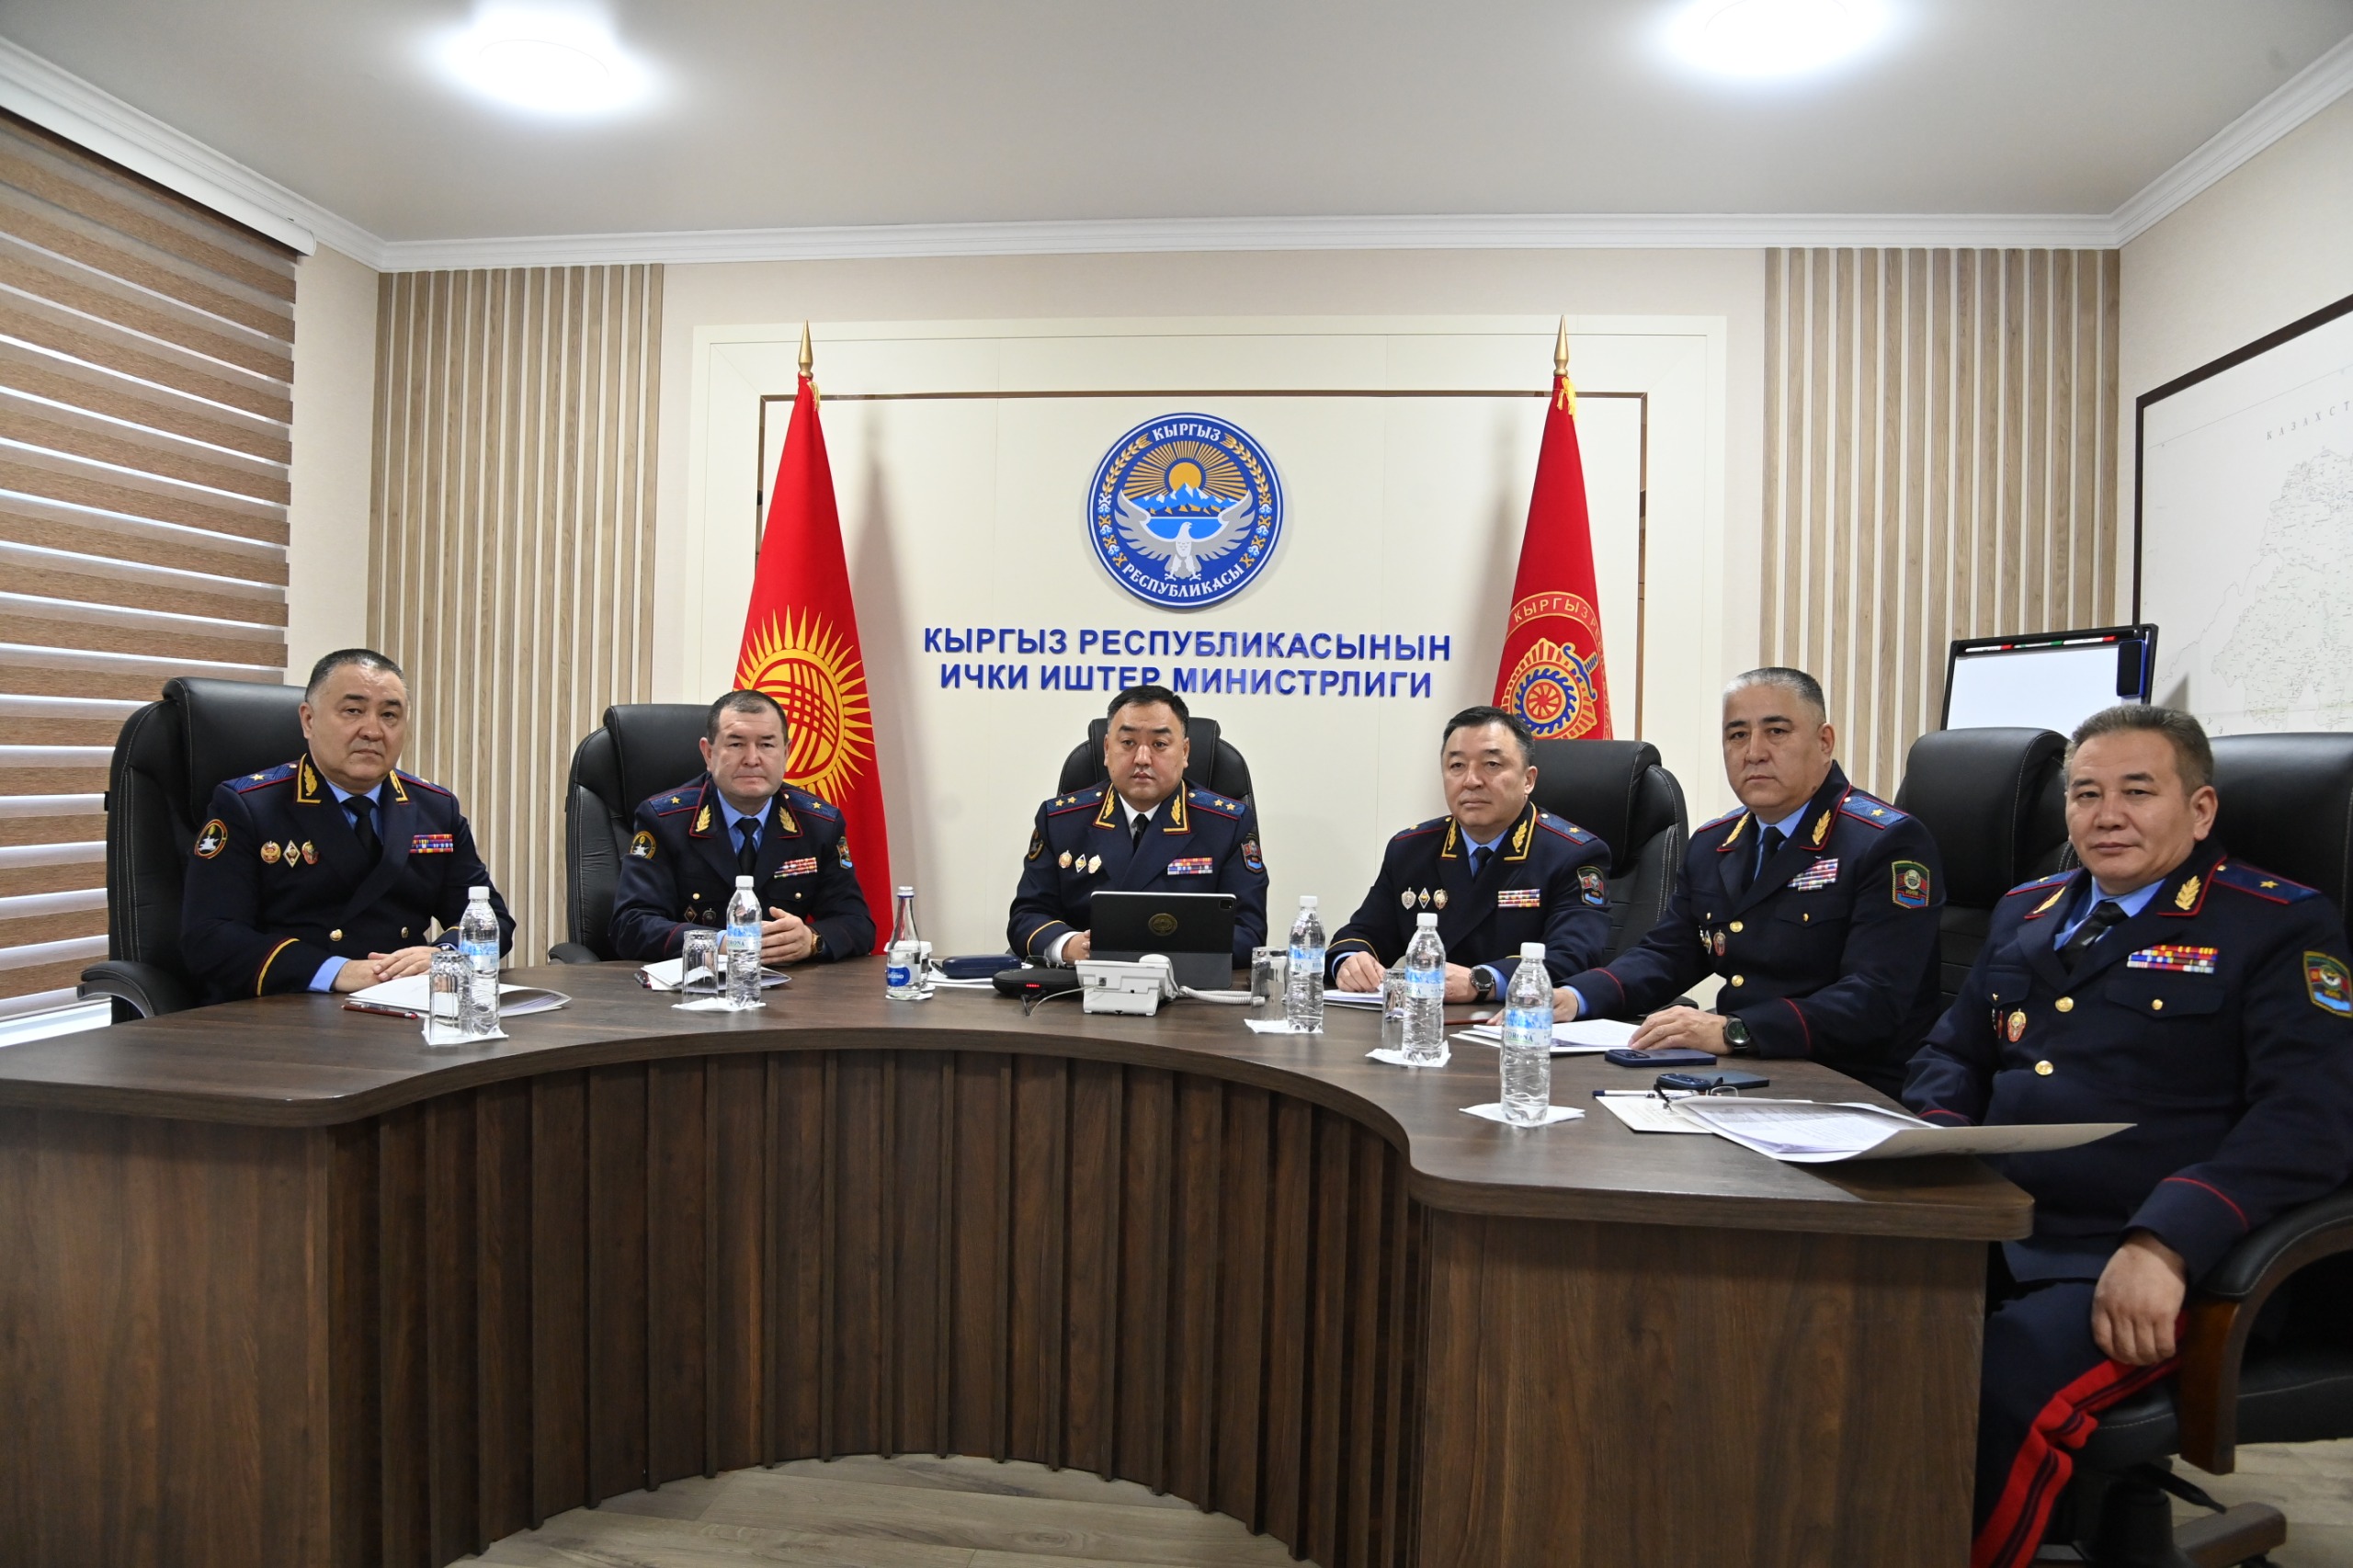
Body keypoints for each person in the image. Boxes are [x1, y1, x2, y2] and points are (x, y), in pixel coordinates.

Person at [1903, 705, 2353, 1568]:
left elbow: (2309, 1123)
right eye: (2086, 794)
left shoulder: (2276, 923)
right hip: (1992, 1228)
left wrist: (2166, 1240)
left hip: (2152, 1260)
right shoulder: (2028, 910)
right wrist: (1941, 1146)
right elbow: (1952, 1054)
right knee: (1849, 1334)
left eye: (2137, 792)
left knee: (1995, 1387)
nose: (2106, 816)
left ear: (2200, 810)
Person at [1552, 667, 1943, 1093]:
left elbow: (1874, 999)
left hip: (1848, 1083)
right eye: (1737, 735)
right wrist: (1576, 997)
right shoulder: (1714, 842)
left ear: (1824, 741)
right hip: (1741, 1071)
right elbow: (1668, 955)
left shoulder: (1885, 842)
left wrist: (1735, 1030)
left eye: (1776, 731)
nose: (1754, 752)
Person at [181, 648, 516, 1002]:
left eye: (389, 715)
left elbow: (492, 917)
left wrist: (445, 955)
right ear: (308, 720)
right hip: (291, 1004)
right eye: (353, 711)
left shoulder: (434, 807)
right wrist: (336, 971)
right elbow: (209, 937)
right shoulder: (250, 806)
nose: (372, 731)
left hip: (406, 1002)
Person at [1327, 706, 1609, 1001]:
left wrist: (1483, 981)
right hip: (1425, 1019)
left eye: (1491, 764)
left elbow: (1574, 955)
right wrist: (1350, 961)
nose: (1471, 780)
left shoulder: (1572, 854)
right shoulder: (1410, 849)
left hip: (1516, 1019)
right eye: (1457, 766)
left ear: (1528, 780)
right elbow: (1363, 933)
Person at [608, 689, 875, 964]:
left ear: (786, 752)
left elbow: (857, 923)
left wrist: (811, 940)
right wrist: (722, 944)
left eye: (767, 745)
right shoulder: (664, 820)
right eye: (736, 744)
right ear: (708, 753)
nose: (752, 759)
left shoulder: (820, 824)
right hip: (696, 982)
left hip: (787, 985)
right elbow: (631, 925)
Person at [1008, 685, 1268, 965]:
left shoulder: (1226, 825)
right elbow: (1027, 915)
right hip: (1080, 983)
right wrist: (1068, 946)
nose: (1142, 758)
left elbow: (1249, 933)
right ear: (1107, 749)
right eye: (1128, 743)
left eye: (1159, 744)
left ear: (1184, 752)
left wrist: (1156, 949)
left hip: (1188, 986)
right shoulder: (1061, 821)